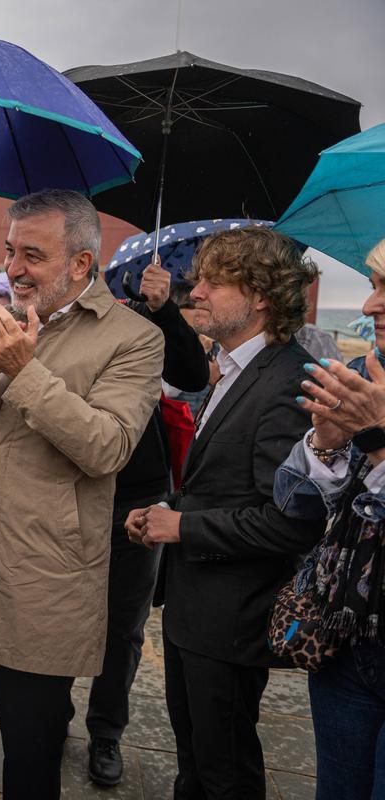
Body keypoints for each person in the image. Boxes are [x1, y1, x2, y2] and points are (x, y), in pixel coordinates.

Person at [0, 189, 164, 800]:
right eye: (8, 251)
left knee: (32, 739)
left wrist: (22, 369)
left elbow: (108, 446)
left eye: (32, 254)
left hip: (42, 574)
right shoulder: (2, 317)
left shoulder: (133, 337)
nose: (14, 268)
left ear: (81, 263)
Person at [125, 226, 323, 799]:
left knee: (226, 771)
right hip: (198, 612)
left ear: (262, 295)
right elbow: (222, 485)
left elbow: (289, 522)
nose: (196, 291)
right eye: (197, 279)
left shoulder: (290, 380)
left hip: (232, 620)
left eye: (214, 280)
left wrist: (181, 526)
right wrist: (165, 508)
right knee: (196, 762)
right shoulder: (235, 370)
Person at [81, 257, 211, 786]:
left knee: (123, 626)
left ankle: (105, 730)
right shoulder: (48, 324)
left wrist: (163, 309)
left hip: (137, 497)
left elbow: (192, 374)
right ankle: (47, 715)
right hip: (73, 494)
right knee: (58, 611)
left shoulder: (139, 318)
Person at [273, 238, 385, 799]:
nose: (369, 308)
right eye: (372, 286)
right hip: (343, 639)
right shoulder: (369, 376)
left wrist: (380, 444)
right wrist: (327, 441)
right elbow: (294, 505)